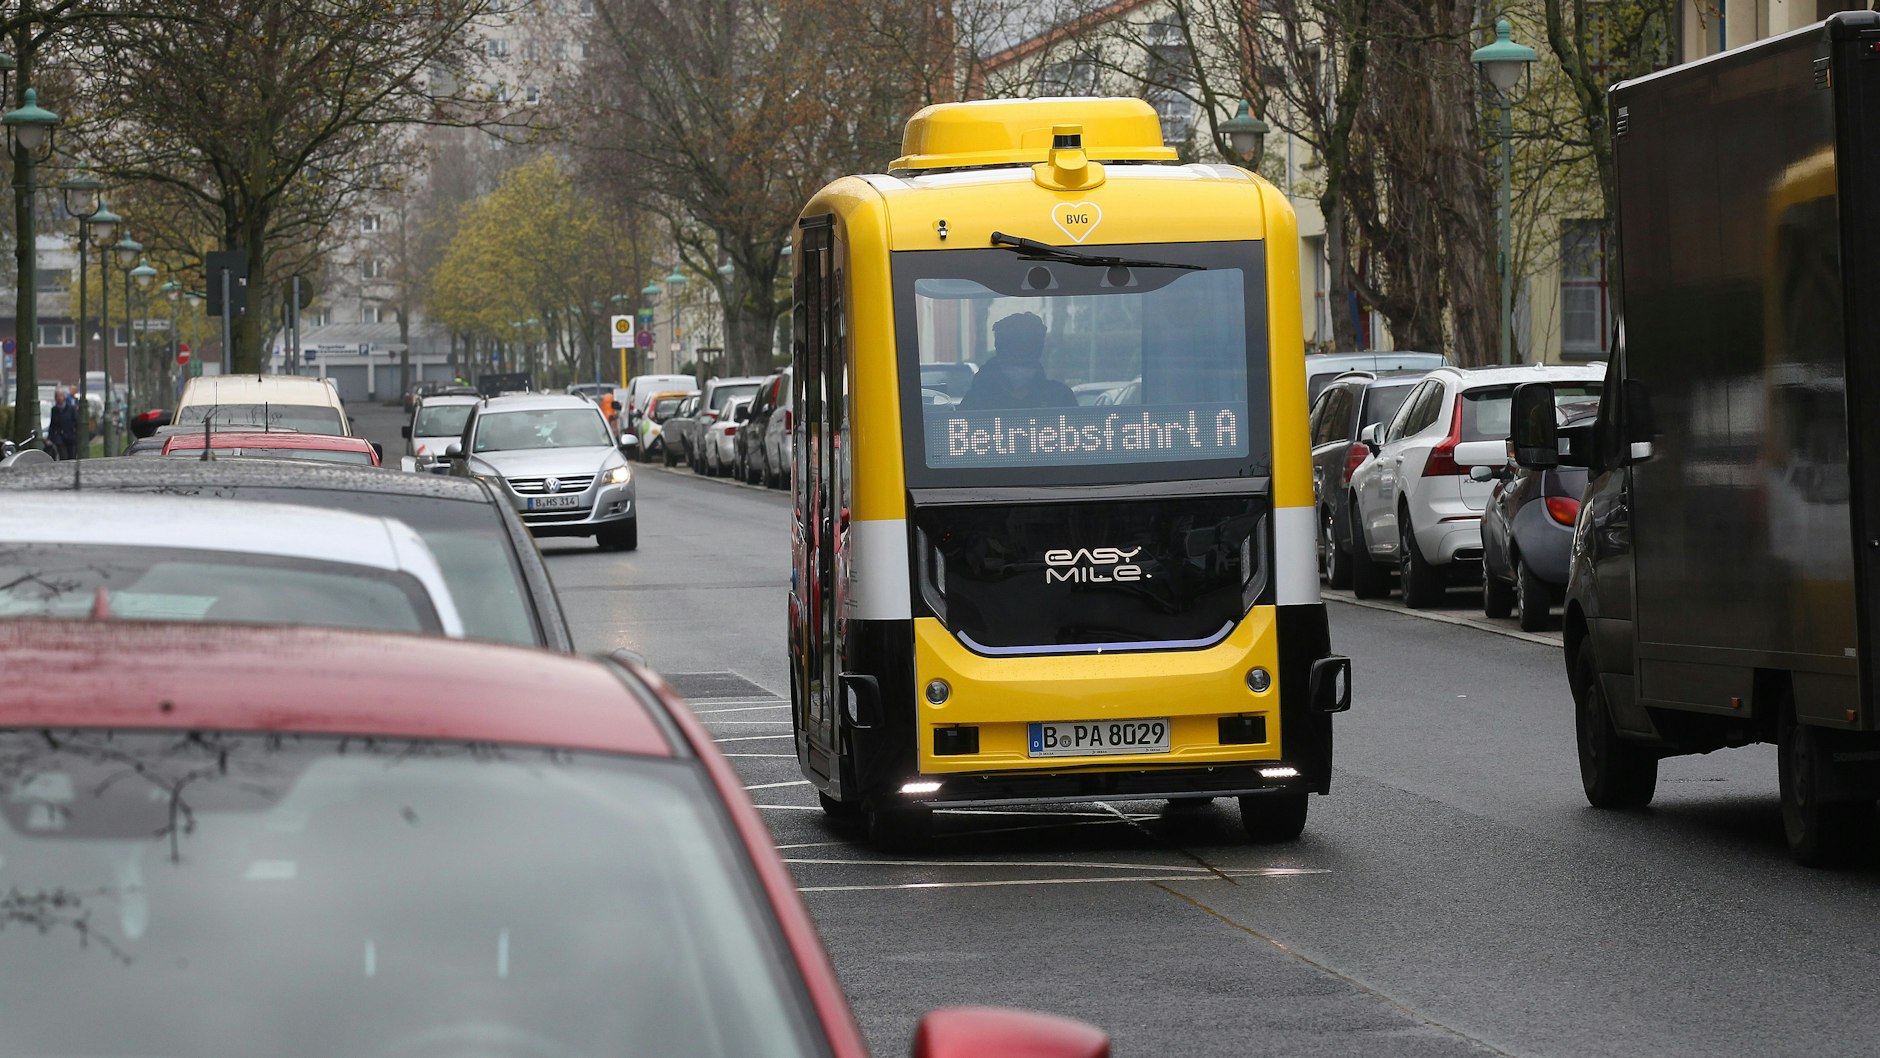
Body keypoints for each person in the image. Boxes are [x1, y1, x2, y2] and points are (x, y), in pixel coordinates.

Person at [958, 312, 1077, 411]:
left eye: (1026, 358)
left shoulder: (1060, 397)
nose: (1019, 362)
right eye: (1013, 355)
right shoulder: (977, 399)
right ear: (1000, 349)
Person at [47, 387, 77, 460]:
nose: (59, 398)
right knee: (63, 456)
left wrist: (75, 433)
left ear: (64, 397)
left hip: (70, 437)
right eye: (57, 396)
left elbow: (76, 422)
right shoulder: (54, 410)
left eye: (60, 396)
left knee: (71, 457)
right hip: (60, 437)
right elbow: (52, 424)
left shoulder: (71, 408)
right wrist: (50, 437)